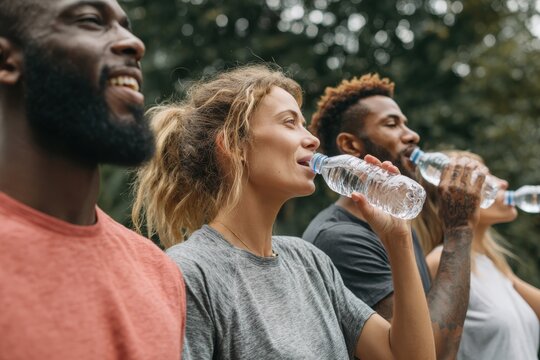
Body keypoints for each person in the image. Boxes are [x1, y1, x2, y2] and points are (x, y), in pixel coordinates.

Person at [132, 64, 436, 359]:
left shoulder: (310, 263)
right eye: (289, 122)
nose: (313, 139)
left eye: (303, 123)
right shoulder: (190, 273)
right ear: (234, 145)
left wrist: (398, 240)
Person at [0, 0, 185, 358]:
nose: (133, 43)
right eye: (90, 20)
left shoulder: (159, 273)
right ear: (7, 62)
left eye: (124, 24)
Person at [303, 73, 486, 359]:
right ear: (350, 146)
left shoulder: (394, 224)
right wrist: (459, 229)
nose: (412, 134)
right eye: (391, 124)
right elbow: (432, 353)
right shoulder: (340, 239)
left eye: (405, 123)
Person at [415, 150, 540, 360]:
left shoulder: (491, 265)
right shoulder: (438, 262)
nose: (503, 183)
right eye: (485, 180)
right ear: (451, 198)